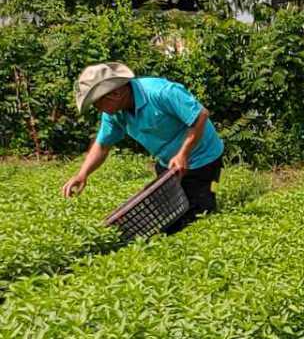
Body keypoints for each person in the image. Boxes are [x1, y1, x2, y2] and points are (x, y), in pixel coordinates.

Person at [62, 62, 224, 233]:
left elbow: (200, 115)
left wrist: (183, 153)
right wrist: (82, 174)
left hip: (202, 158)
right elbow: (102, 145)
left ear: (115, 94)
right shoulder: (114, 113)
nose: (97, 109)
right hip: (168, 163)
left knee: (198, 216)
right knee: (168, 219)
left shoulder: (160, 92)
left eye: (97, 104)